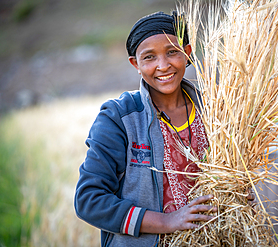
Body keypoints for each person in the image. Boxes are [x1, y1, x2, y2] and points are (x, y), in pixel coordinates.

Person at [74, 11, 218, 247]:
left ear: (188, 53)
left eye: (172, 52)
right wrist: (168, 221)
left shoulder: (215, 111)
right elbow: (89, 201)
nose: (163, 66)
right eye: (149, 57)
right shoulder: (119, 118)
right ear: (136, 64)